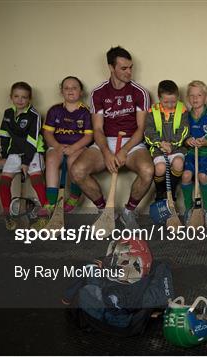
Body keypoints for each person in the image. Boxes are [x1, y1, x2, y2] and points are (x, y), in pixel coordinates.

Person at [70, 46, 154, 229]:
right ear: (111, 67)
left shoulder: (140, 92)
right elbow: (98, 129)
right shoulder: (98, 93)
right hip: (105, 141)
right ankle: (105, 211)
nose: (129, 72)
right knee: (77, 171)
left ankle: (128, 212)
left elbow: (141, 129)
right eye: (123, 68)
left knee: (148, 171)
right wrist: (106, 152)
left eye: (130, 67)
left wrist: (124, 151)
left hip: (133, 142)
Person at [0, 82, 49, 230]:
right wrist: (4, 155)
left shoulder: (34, 115)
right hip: (14, 152)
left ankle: (45, 214)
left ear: (29, 99)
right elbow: (4, 134)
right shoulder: (8, 113)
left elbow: (32, 140)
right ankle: (8, 215)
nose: (20, 100)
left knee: (37, 180)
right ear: (11, 97)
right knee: (4, 182)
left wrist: (26, 162)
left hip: (32, 152)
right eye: (16, 96)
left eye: (24, 97)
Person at [43, 76, 93, 213]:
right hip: (58, 146)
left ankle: (74, 195)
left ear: (81, 92)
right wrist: (57, 146)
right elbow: (47, 133)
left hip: (78, 147)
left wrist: (73, 148)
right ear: (61, 91)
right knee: (52, 159)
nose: (70, 90)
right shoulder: (55, 110)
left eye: (74, 88)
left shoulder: (86, 111)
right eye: (66, 88)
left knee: (73, 161)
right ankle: (52, 201)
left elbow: (88, 136)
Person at [181, 80, 207, 228]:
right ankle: (189, 209)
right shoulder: (185, 116)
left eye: (199, 95)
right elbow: (182, 138)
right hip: (191, 153)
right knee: (186, 176)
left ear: (205, 97)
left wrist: (205, 143)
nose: (195, 98)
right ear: (187, 98)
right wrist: (188, 141)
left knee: (202, 176)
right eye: (191, 95)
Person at [144, 80, 189, 204]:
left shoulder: (182, 110)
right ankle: (160, 193)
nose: (170, 105)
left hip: (177, 148)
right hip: (158, 148)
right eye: (166, 102)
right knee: (160, 168)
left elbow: (184, 130)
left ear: (178, 97)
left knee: (178, 163)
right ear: (159, 98)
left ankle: (171, 193)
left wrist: (172, 145)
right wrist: (159, 143)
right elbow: (148, 131)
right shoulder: (152, 111)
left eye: (173, 101)